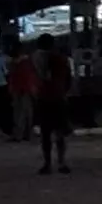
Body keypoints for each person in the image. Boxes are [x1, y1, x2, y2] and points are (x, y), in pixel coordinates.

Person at [32, 34, 72, 175]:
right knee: (60, 132)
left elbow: (38, 77)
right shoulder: (62, 59)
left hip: (43, 99)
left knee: (45, 134)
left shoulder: (36, 58)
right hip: (58, 98)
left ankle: (47, 164)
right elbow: (68, 79)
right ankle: (62, 162)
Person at [8, 38, 36, 143]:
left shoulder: (14, 63)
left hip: (19, 89)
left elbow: (12, 77)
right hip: (27, 89)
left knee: (18, 113)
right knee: (27, 112)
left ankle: (19, 135)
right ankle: (27, 135)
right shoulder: (27, 61)